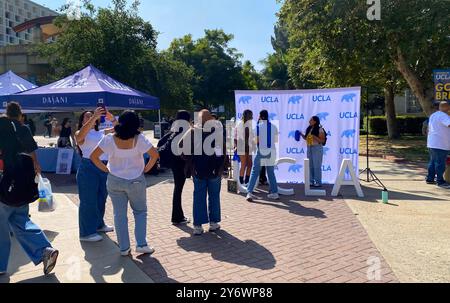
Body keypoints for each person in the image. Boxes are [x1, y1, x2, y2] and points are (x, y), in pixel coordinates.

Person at [0, 103, 59, 276]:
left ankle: (1, 265)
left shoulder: (1, 129)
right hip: (22, 182)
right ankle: (44, 250)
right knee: (22, 221)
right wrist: (36, 167)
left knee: (2, 228)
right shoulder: (24, 129)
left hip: (4, 182)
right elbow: (33, 153)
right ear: (20, 115)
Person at [91, 111, 159, 256]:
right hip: (136, 180)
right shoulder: (139, 138)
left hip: (115, 179)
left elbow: (94, 157)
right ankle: (141, 244)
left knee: (119, 215)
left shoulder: (109, 139)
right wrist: (145, 169)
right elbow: (154, 155)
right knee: (140, 212)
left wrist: (106, 170)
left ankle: (124, 248)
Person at [181, 110, 226, 236]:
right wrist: (221, 167)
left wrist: (190, 161)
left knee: (198, 197)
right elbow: (220, 152)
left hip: (197, 170)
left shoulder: (192, 132)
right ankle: (213, 223)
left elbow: (181, 147)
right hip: (214, 171)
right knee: (214, 196)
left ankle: (197, 226)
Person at [75, 108, 117, 242]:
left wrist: (112, 118)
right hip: (88, 168)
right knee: (88, 201)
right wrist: (94, 117)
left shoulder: (100, 132)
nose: (90, 118)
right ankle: (86, 233)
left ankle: (99, 225)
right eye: (86, 117)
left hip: (103, 167)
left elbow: (118, 129)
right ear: (82, 121)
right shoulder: (80, 133)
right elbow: (79, 137)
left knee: (101, 198)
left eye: (91, 116)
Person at [159, 110, 191, 225]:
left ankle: (178, 215)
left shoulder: (174, 130)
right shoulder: (186, 130)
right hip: (180, 163)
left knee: (177, 189)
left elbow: (160, 142)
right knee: (178, 190)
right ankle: (177, 217)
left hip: (173, 163)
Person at [246, 110, 280, 202]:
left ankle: (249, 192)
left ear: (260, 116)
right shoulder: (274, 126)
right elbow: (276, 140)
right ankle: (274, 192)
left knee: (255, 172)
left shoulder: (258, 126)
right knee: (270, 172)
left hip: (261, 150)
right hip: (271, 151)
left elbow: (255, 141)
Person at [426, 101, 450, 189]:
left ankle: (430, 178)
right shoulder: (444, 116)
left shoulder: (433, 115)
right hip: (441, 143)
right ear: (446, 107)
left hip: (432, 143)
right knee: (440, 163)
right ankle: (440, 181)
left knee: (433, 161)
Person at [298, 116, 326, 188]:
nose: (309, 121)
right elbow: (307, 138)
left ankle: (318, 182)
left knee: (317, 165)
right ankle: (311, 181)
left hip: (317, 148)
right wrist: (301, 135)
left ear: (315, 121)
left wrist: (314, 136)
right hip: (309, 147)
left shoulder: (320, 129)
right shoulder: (309, 128)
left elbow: (322, 141)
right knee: (310, 165)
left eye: (311, 120)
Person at [234, 110, 254, 185]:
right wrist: (236, 146)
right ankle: (241, 182)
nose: (252, 117)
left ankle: (247, 181)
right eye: (251, 115)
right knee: (244, 164)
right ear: (247, 116)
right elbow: (235, 137)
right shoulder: (240, 124)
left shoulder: (250, 124)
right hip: (242, 146)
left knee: (250, 164)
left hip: (249, 146)